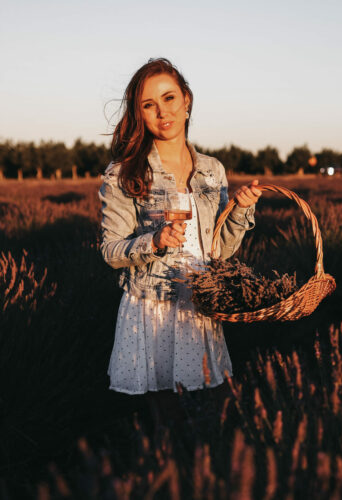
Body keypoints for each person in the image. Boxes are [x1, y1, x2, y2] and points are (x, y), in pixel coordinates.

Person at [98, 57, 261, 427]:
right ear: (139, 115)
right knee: (167, 418)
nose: (162, 112)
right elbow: (110, 251)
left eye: (169, 98)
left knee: (221, 406)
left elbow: (217, 251)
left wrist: (239, 210)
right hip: (152, 305)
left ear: (186, 100)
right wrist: (153, 241)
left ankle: (216, 476)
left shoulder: (212, 170)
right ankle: (169, 477)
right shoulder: (124, 174)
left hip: (201, 302)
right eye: (148, 105)